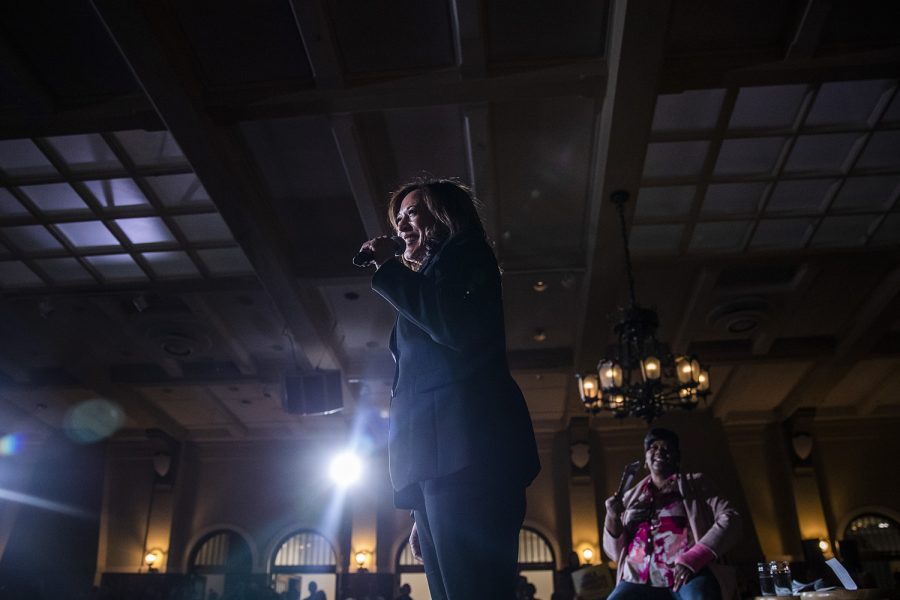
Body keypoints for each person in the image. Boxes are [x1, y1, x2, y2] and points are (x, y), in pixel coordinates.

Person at [359, 177, 541, 600]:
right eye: (398, 217)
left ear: (445, 215)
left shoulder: (467, 253)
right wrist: (419, 516)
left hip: (471, 454)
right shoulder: (427, 281)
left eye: (412, 212)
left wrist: (388, 268)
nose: (402, 223)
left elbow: (453, 326)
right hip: (434, 465)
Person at [602, 428, 741, 600]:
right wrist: (612, 517)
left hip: (686, 575)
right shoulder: (630, 497)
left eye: (667, 448)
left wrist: (695, 558)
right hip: (636, 579)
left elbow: (731, 517)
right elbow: (614, 553)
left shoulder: (697, 484)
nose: (659, 451)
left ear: (677, 458)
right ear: (646, 459)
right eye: (653, 447)